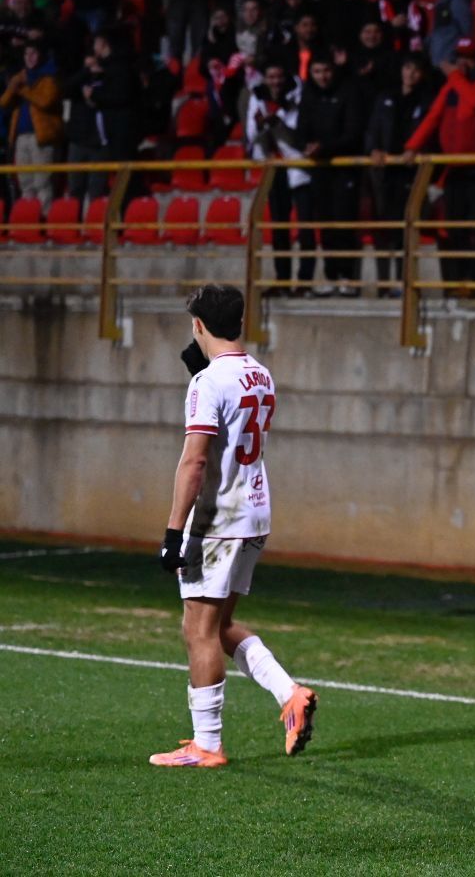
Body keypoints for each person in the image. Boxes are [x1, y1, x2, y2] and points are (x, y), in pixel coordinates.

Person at [150, 284, 316, 769]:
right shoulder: (260, 374)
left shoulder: (207, 382)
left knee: (197, 630)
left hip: (218, 518)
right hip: (255, 510)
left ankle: (207, 745)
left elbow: (195, 461)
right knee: (219, 625)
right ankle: (291, 694)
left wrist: (173, 531)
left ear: (199, 325)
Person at [404, 39, 475, 296]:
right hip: (455, 166)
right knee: (455, 225)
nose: (464, 63)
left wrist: (453, 76)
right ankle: (459, 279)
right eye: (460, 57)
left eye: (470, 58)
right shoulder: (455, 84)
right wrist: (412, 146)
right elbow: (434, 116)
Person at [365, 55, 435, 297]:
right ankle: (386, 282)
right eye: (407, 67)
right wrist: (372, 148)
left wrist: (415, 150)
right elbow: (373, 128)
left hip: (411, 172)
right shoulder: (386, 97)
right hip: (385, 173)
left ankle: (404, 282)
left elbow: (430, 133)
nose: (410, 73)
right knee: (386, 228)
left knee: (406, 228)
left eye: (416, 69)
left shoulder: (426, 100)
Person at [241, 63, 314, 295]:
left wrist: (279, 120)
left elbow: (300, 132)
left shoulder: (299, 96)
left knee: (305, 227)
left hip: (297, 164)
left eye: (279, 76)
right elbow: (251, 133)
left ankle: (305, 281)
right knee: (279, 227)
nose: (275, 81)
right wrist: (263, 125)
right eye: (271, 76)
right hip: (273, 167)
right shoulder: (257, 97)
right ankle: (282, 280)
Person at [296, 53, 366, 297]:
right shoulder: (309, 95)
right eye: (316, 72)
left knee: (343, 223)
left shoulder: (348, 92)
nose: (322, 76)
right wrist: (307, 145)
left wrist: (324, 147)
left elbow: (353, 132)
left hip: (344, 168)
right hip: (320, 171)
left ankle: (347, 276)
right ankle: (331, 275)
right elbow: (301, 128)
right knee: (325, 224)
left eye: (326, 70)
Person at [1, 41, 62, 201]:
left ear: (40, 55)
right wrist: (13, 86)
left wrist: (24, 90)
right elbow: (4, 102)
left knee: (42, 182)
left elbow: (45, 101)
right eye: (26, 54)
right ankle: (30, 221)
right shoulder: (20, 78)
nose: (30, 57)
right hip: (20, 137)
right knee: (25, 183)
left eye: (33, 53)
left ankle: (44, 222)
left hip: (40, 137)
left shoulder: (49, 77)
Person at [425, 0, 475, 77]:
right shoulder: (441, 2)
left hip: (451, 62)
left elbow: (467, 32)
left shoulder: (459, 2)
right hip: (439, 61)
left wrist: (462, 57)